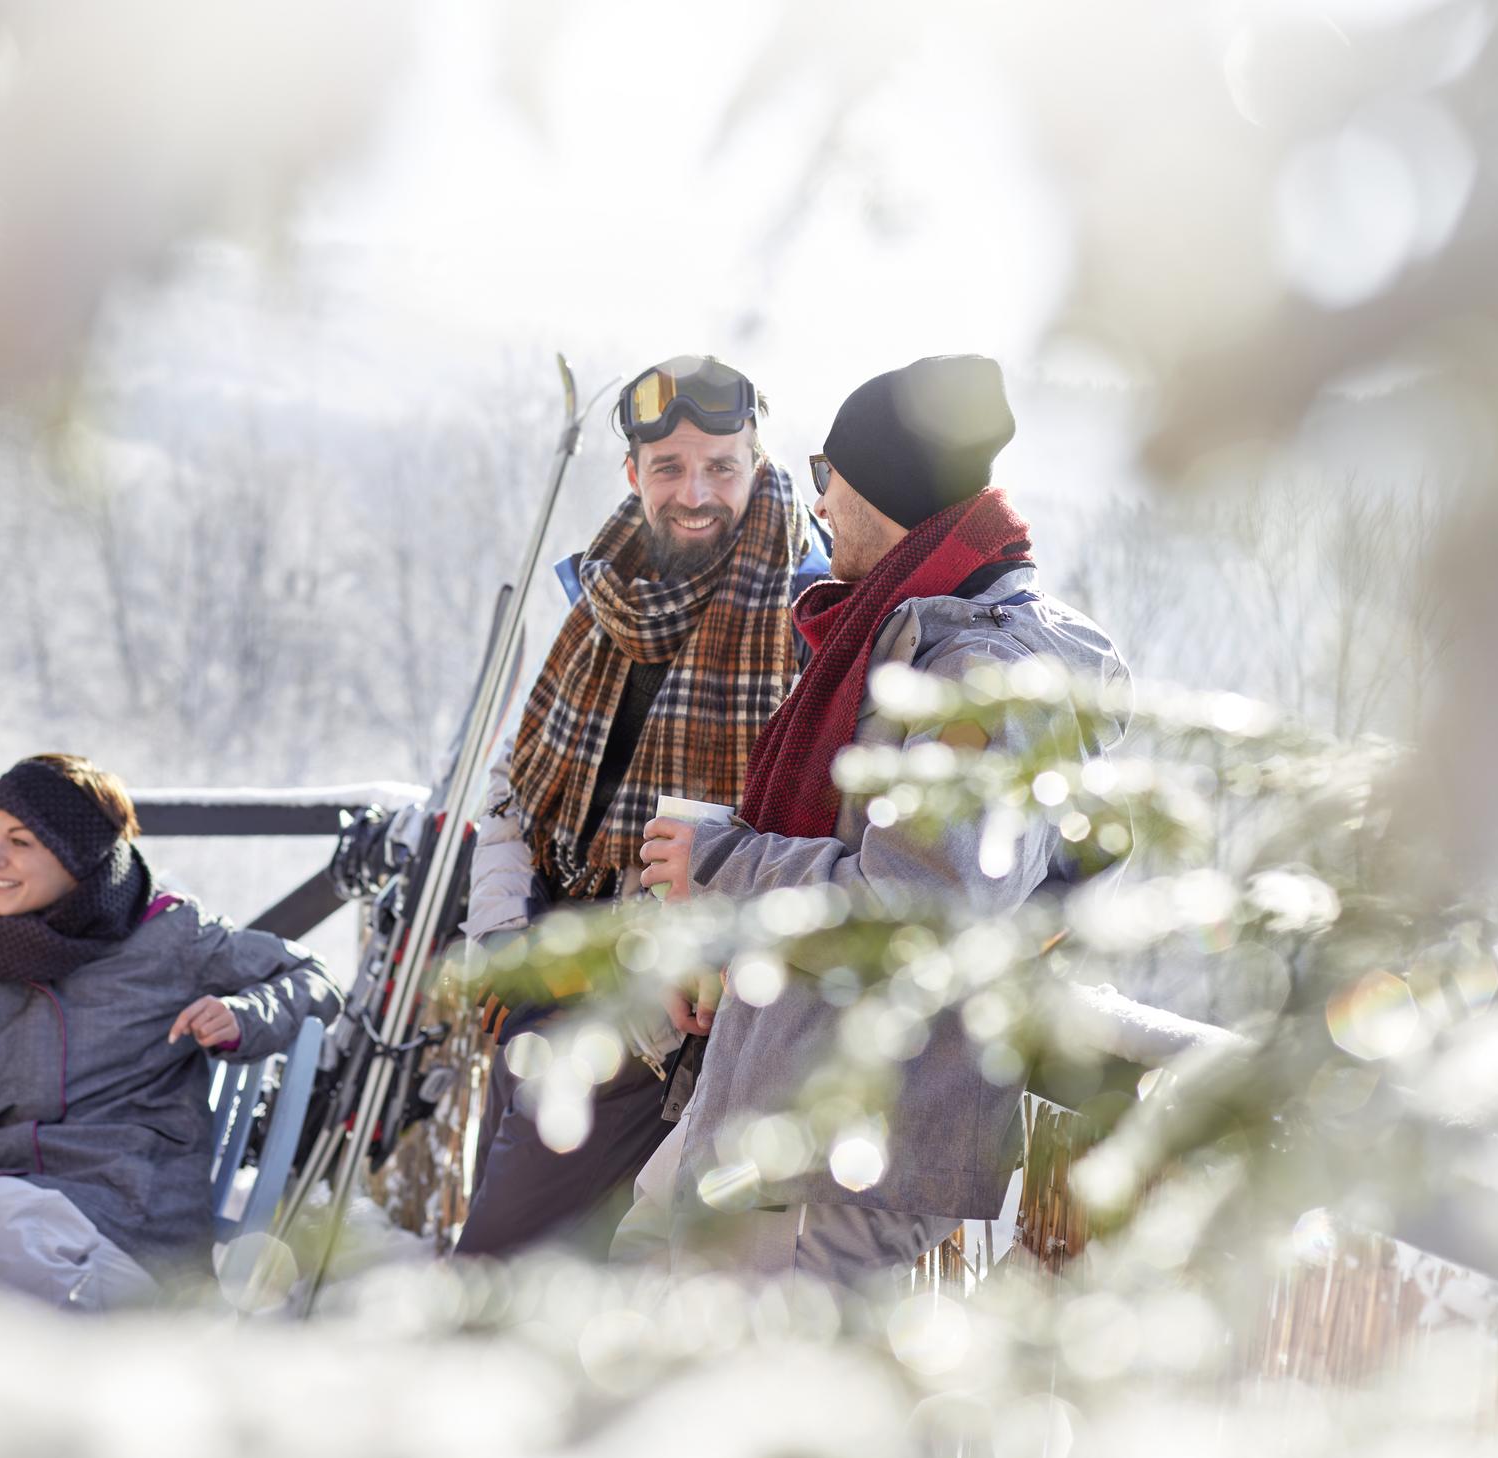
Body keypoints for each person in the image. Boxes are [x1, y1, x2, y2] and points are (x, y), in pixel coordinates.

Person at [635, 355, 1130, 1286]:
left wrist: (725, 863)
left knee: (743, 1399)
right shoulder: (904, 627)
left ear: (891, 490)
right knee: (633, 1290)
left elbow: (916, 911)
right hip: (781, 1100)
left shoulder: (979, 672)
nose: (817, 501)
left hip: (853, 1148)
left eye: (831, 475)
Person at [455, 355, 824, 1258]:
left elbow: (787, 840)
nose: (694, 493)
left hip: (651, 1023)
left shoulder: (805, 615)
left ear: (758, 462)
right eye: (668, 468)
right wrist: (503, 936)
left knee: (495, 1275)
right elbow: (513, 786)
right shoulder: (606, 597)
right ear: (633, 474)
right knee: (525, 1272)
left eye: (721, 467)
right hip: (537, 984)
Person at [0, 754, 341, 1309]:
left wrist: (245, 1015)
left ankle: (70, 1367)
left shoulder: (169, 934)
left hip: (133, 1213)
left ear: (81, 856)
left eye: (21, 842)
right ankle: (116, 1362)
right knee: (7, 1240)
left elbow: (312, 979)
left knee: (20, 1285)